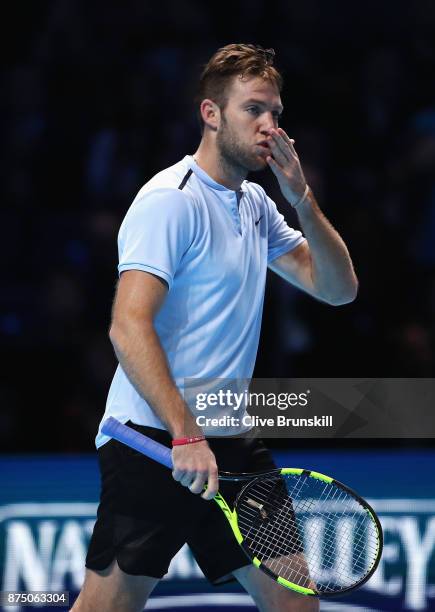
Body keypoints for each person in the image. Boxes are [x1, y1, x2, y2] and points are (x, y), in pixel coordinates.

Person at [72, 43, 358, 612]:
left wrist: (301, 197)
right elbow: (127, 328)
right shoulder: (168, 202)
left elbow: (338, 289)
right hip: (154, 441)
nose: (270, 126)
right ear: (211, 114)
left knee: (297, 605)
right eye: (254, 110)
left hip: (229, 439)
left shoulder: (256, 203)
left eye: (276, 112)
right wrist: (185, 433)